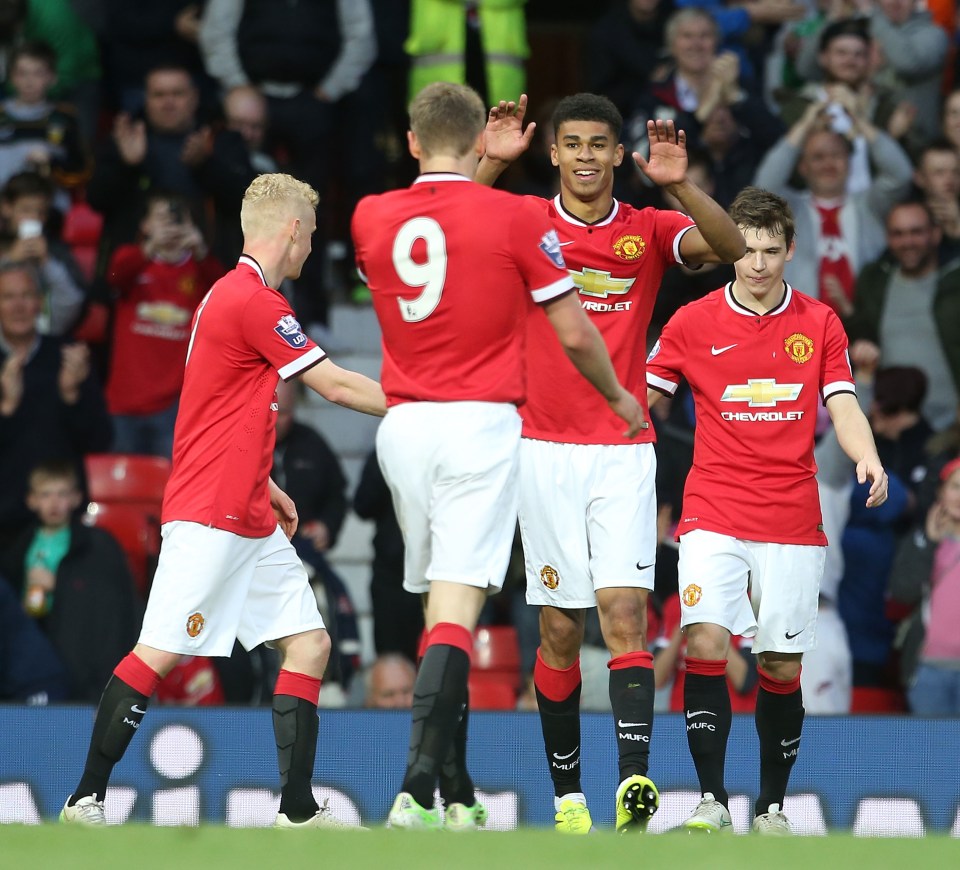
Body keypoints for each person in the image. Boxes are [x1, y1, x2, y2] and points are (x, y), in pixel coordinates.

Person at [351, 82, 645, 832]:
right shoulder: (516, 215)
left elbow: (442, 232)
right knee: (454, 612)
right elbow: (576, 331)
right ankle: (418, 785)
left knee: (432, 610)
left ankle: (456, 791)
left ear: (412, 142)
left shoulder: (370, 215)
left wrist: (485, 162)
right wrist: (616, 395)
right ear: (482, 134)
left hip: (403, 427)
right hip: (481, 428)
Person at [60, 172, 386, 828]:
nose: (309, 248)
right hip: (211, 513)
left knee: (310, 645)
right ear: (292, 230)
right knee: (157, 652)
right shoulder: (256, 302)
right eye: (311, 234)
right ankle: (85, 799)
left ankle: (296, 813)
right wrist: (431, 403)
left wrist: (262, 481)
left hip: (246, 512)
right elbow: (338, 388)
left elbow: (217, 405)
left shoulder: (224, 296)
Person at [478, 92, 744, 834]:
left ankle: (633, 784)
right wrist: (490, 162)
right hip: (543, 450)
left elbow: (726, 247)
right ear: (553, 153)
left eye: (602, 144)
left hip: (623, 452)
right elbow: (450, 220)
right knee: (560, 629)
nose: (589, 157)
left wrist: (681, 185)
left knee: (625, 614)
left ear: (619, 155)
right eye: (575, 144)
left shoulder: (649, 228)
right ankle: (568, 799)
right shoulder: (527, 220)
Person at [645, 186, 888, 835]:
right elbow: (644, 397)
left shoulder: (820, 323)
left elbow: (841, 404)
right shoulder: (692, 321)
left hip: (790, 516)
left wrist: (866, 455)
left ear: (791, 250)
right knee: (704, 641)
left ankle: (774, 808)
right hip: (712, 508)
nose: (755, 263)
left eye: (769, 251)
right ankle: (712, 802)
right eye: (746, 249)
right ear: (732, 252)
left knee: (781, 664)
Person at [0, 459, 141, 702]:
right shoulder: (18, 548)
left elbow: (111, 603)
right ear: (31, 500)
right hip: (40, 649)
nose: (54, 503)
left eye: (62, 494)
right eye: (45, 495)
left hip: (82, 651)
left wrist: (59, 587)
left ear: (76, 498)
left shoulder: (97, 545)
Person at [0, 264, 112, 550]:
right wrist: (7, 408)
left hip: (64, 516)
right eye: (9, 297)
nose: (19, 306)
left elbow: (100, 440)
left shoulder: (68, 356)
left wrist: (71, 395)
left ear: (40, 302)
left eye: (27, 296)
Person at [104, 192, 224, 457]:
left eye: (177, 220)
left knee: (170, 491)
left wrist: (201, 251)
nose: (170, 227)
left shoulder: (201, 270)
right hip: (124, 403)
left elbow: (226, 297)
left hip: (174, 406)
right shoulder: (131, 260)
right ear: (145, 225)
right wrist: (149, 247)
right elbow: (113, 277)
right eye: (161, 219)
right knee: (125, 490)